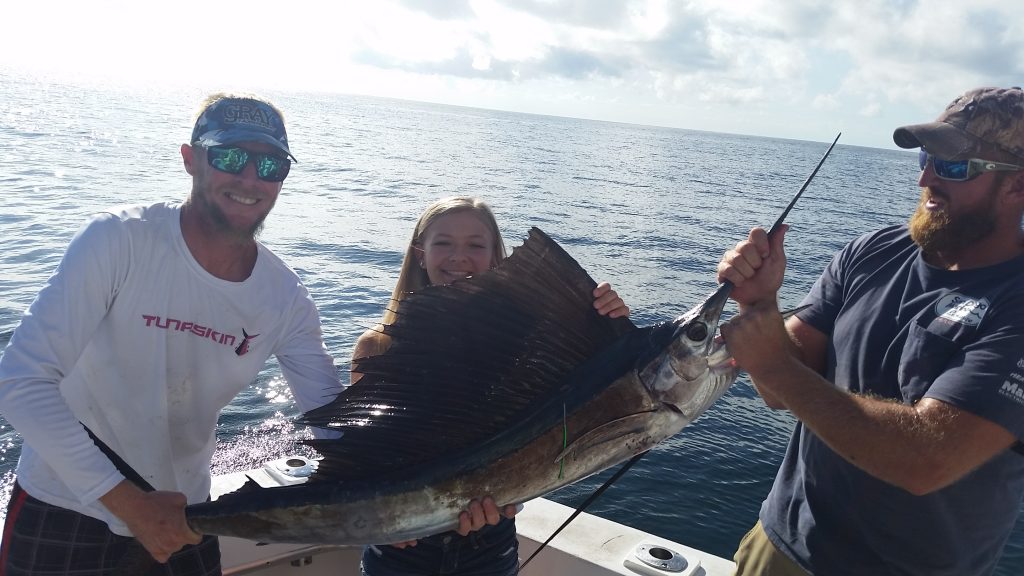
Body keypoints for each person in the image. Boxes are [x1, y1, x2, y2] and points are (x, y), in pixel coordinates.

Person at [0, 96, 507, 574]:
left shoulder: (284, 296)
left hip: (186, 516)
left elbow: (331, 419)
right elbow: (21, 380)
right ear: (190, 159)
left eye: (270, 165)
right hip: (66, 504)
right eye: (230, 156)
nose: (250, 177)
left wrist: (392, 508)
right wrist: (127, 503)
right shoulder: (118, 241)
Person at [716, 86, 1024, 576]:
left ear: (1017, 186)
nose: (925, 178)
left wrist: (772, 358)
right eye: (927, 157)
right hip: (779, 547)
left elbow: (926, 461)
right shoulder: (872, 251)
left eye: (953, 166)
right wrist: (760, 303)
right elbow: (779, 393)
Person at [351, 196, 630, 576]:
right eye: (444, 242)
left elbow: (595, 404)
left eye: (475, 245)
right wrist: (380, 523)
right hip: (399, 554)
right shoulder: (377, 348)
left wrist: (608, 327)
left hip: (488, 553)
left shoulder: (525, 347)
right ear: (421, 254)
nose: (458, 257)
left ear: (496, 257)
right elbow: (361, 460)